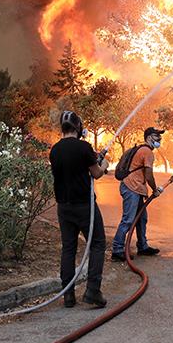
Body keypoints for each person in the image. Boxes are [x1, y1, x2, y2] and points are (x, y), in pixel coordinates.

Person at [49, 110, 110, 308]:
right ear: (78, 126)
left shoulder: (55, 150)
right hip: (84, 206)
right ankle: (93, 290)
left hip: (63, 207)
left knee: (68, 248)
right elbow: (97, 173)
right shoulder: (84, 147)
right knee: (98, 243)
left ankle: (68, 294)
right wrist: (104, 163)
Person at [111, 127, 165, 262]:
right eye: (156, 136)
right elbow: (148, 175)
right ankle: (117, 250)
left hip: (135, 188)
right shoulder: (147, 152)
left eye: (159, 136)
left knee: (141, 219)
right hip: (131, 187)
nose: (159, 139)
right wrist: (154, 189)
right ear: (148, 137)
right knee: (128, 219)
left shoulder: (142, 149)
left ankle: (142, 246)